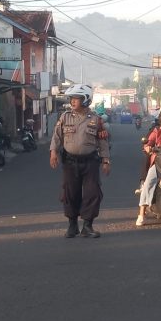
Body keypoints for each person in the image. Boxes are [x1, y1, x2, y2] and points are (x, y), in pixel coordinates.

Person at [49, 83, 111, 238]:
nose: (73, 102)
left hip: (90, 162)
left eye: (76, 98)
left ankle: (88, 226)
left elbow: (102, 142)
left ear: (86, 100)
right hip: (70, 162)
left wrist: (105, 160)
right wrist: (53, 153)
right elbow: (57, 136)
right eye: (72, 99)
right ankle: (72, 225)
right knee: (70, 193)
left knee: (92, 193)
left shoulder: (96, 120)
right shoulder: (65, 117)